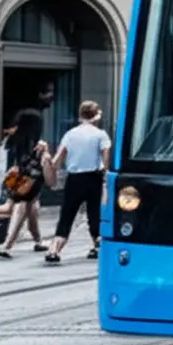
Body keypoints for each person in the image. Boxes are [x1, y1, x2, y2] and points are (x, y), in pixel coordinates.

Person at [44, 101, 110, 264]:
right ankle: (97, 244)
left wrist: (50, 167)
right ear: (96, 116)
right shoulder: (100, 134)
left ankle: (54, 250)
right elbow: (106, 156)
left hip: (74, 178)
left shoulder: (70, 134)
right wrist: (106, 174)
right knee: (94, 214)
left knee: (66, 215)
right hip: (93, 177)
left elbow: (57, 160)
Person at [0, 109, 50, 257]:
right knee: (21, 208)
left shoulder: (14, 139)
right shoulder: (35, 142)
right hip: (28, 180)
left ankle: (38, 241)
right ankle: (8, 244)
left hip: (15, 178)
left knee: (31, 209)